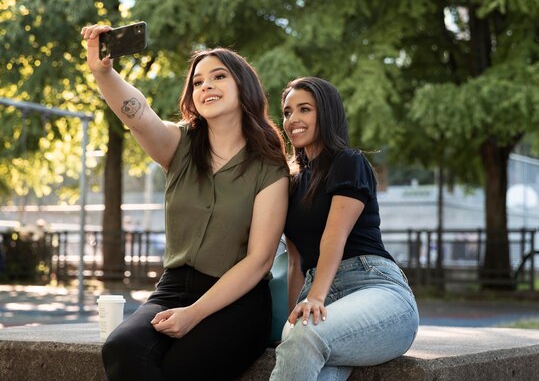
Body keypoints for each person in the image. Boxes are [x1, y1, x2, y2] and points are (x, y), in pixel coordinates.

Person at [81, 24, 289, 381]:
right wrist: (104, 73)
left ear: (244, 87)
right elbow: (137, 114)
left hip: (237, 301)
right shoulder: (178, 145)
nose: (205, 85)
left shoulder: (269, 167)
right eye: (197, 82)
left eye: (218, 76)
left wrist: (193, 314)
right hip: (173, 289)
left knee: (182, 368)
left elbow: (259, 261)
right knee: (122, 348)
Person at [270, 77, 419, 381]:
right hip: (320, 296)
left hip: (375, 288)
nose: (293, 120)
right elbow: (297, 261)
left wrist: (315, 300)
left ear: (325, 113)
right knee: (303, 343)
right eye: (287, 112)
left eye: (304, 109)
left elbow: (334, 236)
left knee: (306, 336)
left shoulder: (348, 162)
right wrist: (296, 312)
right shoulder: (291, 182)